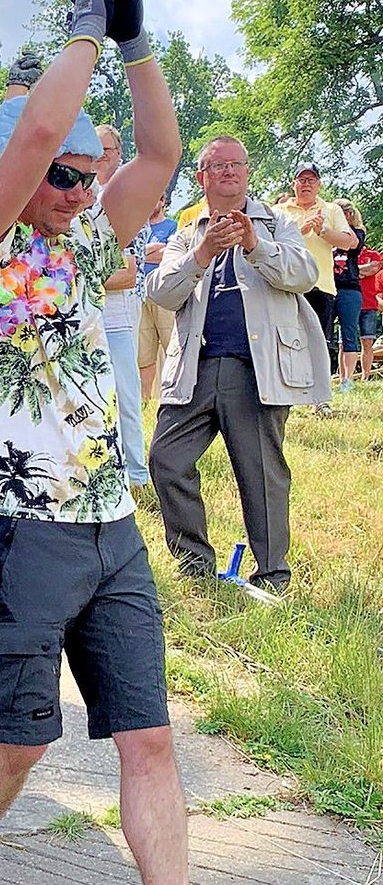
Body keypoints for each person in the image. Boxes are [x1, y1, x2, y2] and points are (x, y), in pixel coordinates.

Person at [0, 0, 287, 885]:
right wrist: (82, 22)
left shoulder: (89, 245)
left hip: (104, 518)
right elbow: (38, 126)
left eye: (89, 175)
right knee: (19, 739)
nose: (80, 188)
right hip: (16, 522)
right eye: (62, 174)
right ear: (12, 174)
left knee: (146, 731)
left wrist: (136, 44)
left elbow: (164, 150)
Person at [148, 137, 328, 591]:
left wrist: (256, 244)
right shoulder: (187, 232)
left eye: (237, 164)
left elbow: (305, 274)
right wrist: (202, 253)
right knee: (166, 460)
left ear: (247, 172)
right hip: (195, 365)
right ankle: (195, 564)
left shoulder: (276, 221)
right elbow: (161, 291)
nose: (229, 171)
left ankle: (272, 575)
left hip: (256, 367)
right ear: (201, 176)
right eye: (218, 165)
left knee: (261, 472)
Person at [93, 124, 149, 488]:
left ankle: (137, 474)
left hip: (117, 315)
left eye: (106, 151)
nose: (99, 158)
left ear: (118, 153)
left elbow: (128, 273)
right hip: (83, 317)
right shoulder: (77, 196)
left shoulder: (127, 198)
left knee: (126, 395)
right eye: (92, 150)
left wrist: (70, 281)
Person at [274, 165, 357, 354]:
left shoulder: (331, 209)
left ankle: (320, 384)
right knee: (285, 345)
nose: (306, 184)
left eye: (311, 180)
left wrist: (323, 231)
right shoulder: (278, 210)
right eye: (301, 180)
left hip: (321, 285)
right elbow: (267, 244)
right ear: (293, 184)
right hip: (285, 284)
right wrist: (297, 231)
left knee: (318, 346)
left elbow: (350, 242)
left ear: (318, 184)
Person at [138, 192, 177, 400]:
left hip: (162, 291)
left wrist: (141, 253)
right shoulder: (137, 226)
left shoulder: (171, 226)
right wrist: (149, 251)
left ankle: (175, 397)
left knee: (171, 343)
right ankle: (145, 400)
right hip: (139, 292)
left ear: (162, 201)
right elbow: (128, 254)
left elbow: (168, 254)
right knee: (144, 354)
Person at [333, 202, 366, 391]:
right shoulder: (327, 233)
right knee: (329, 336)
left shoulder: (357, 232)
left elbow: (354, 244)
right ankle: (336, 375)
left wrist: (343, 224)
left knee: (349, 334)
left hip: (349, 288)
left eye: (344, 212)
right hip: (328, 287)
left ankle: (348, 379)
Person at [356, 236, 383, 382]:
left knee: (367, 342)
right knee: (346, 342)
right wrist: (360, 272)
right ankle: (345, 377)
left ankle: (365, 377)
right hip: (349, 304)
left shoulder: (373, 255)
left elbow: (374, 268)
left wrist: (353, 272)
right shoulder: (341, 254)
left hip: (369, 304)